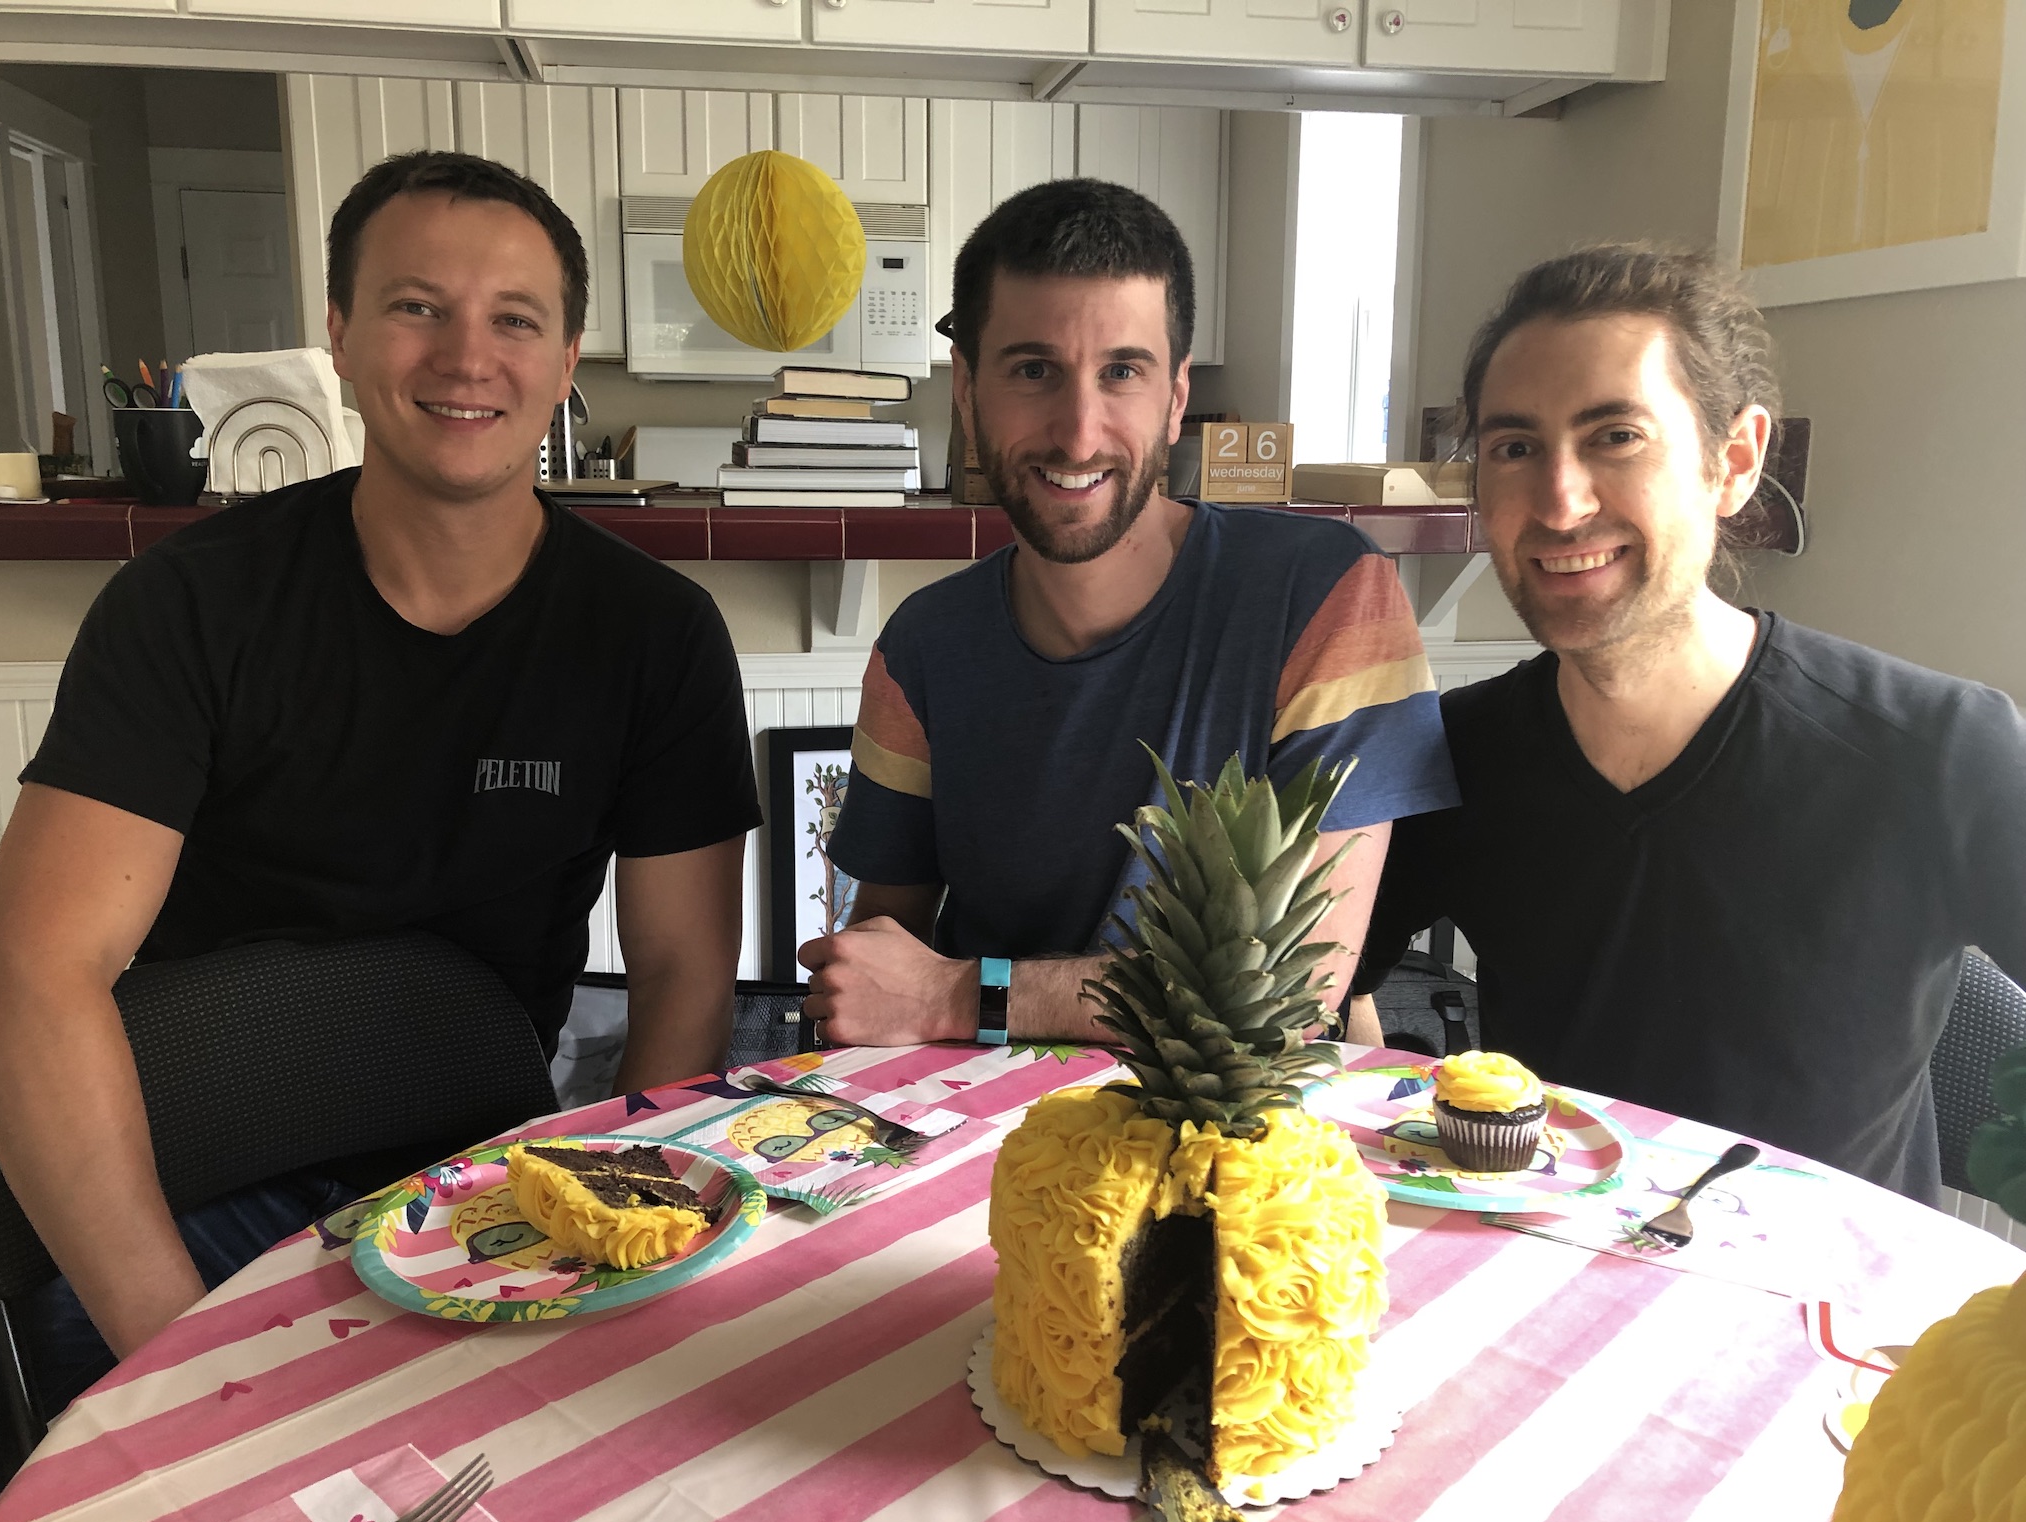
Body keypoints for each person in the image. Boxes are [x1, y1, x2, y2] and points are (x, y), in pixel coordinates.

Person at [0, 151, 761, 1419]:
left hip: (483, 1179)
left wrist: (620, 1237)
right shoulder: (190, 609)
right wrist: (177, 1357)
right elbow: (31, 970)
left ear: (567, 361)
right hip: (192, 1183)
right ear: (338, 335)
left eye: (515, 319)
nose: (466, 358)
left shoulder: (653, 638)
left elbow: (681, 976)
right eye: (416, 307)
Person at [1349, 244, 2026, 1203]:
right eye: (1514, 448)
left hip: (1828, 1326)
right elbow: (1334, 978)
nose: (1559, 500)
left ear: (1734, 462)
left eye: (1615, 436)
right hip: (1547, 1302)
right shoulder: (1452, 753)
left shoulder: (1936, 749)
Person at [802, 179, 1459, 1047]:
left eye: (1122, 372)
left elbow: (1291, 988)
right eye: (1034, 370)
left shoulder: (1328, 596)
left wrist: (962, 997)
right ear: (967, 389)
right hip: (975, 1145)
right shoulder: (920, 646)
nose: (1078, 433)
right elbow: (878, 968)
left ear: (1177, 396)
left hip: (1241, 1155)